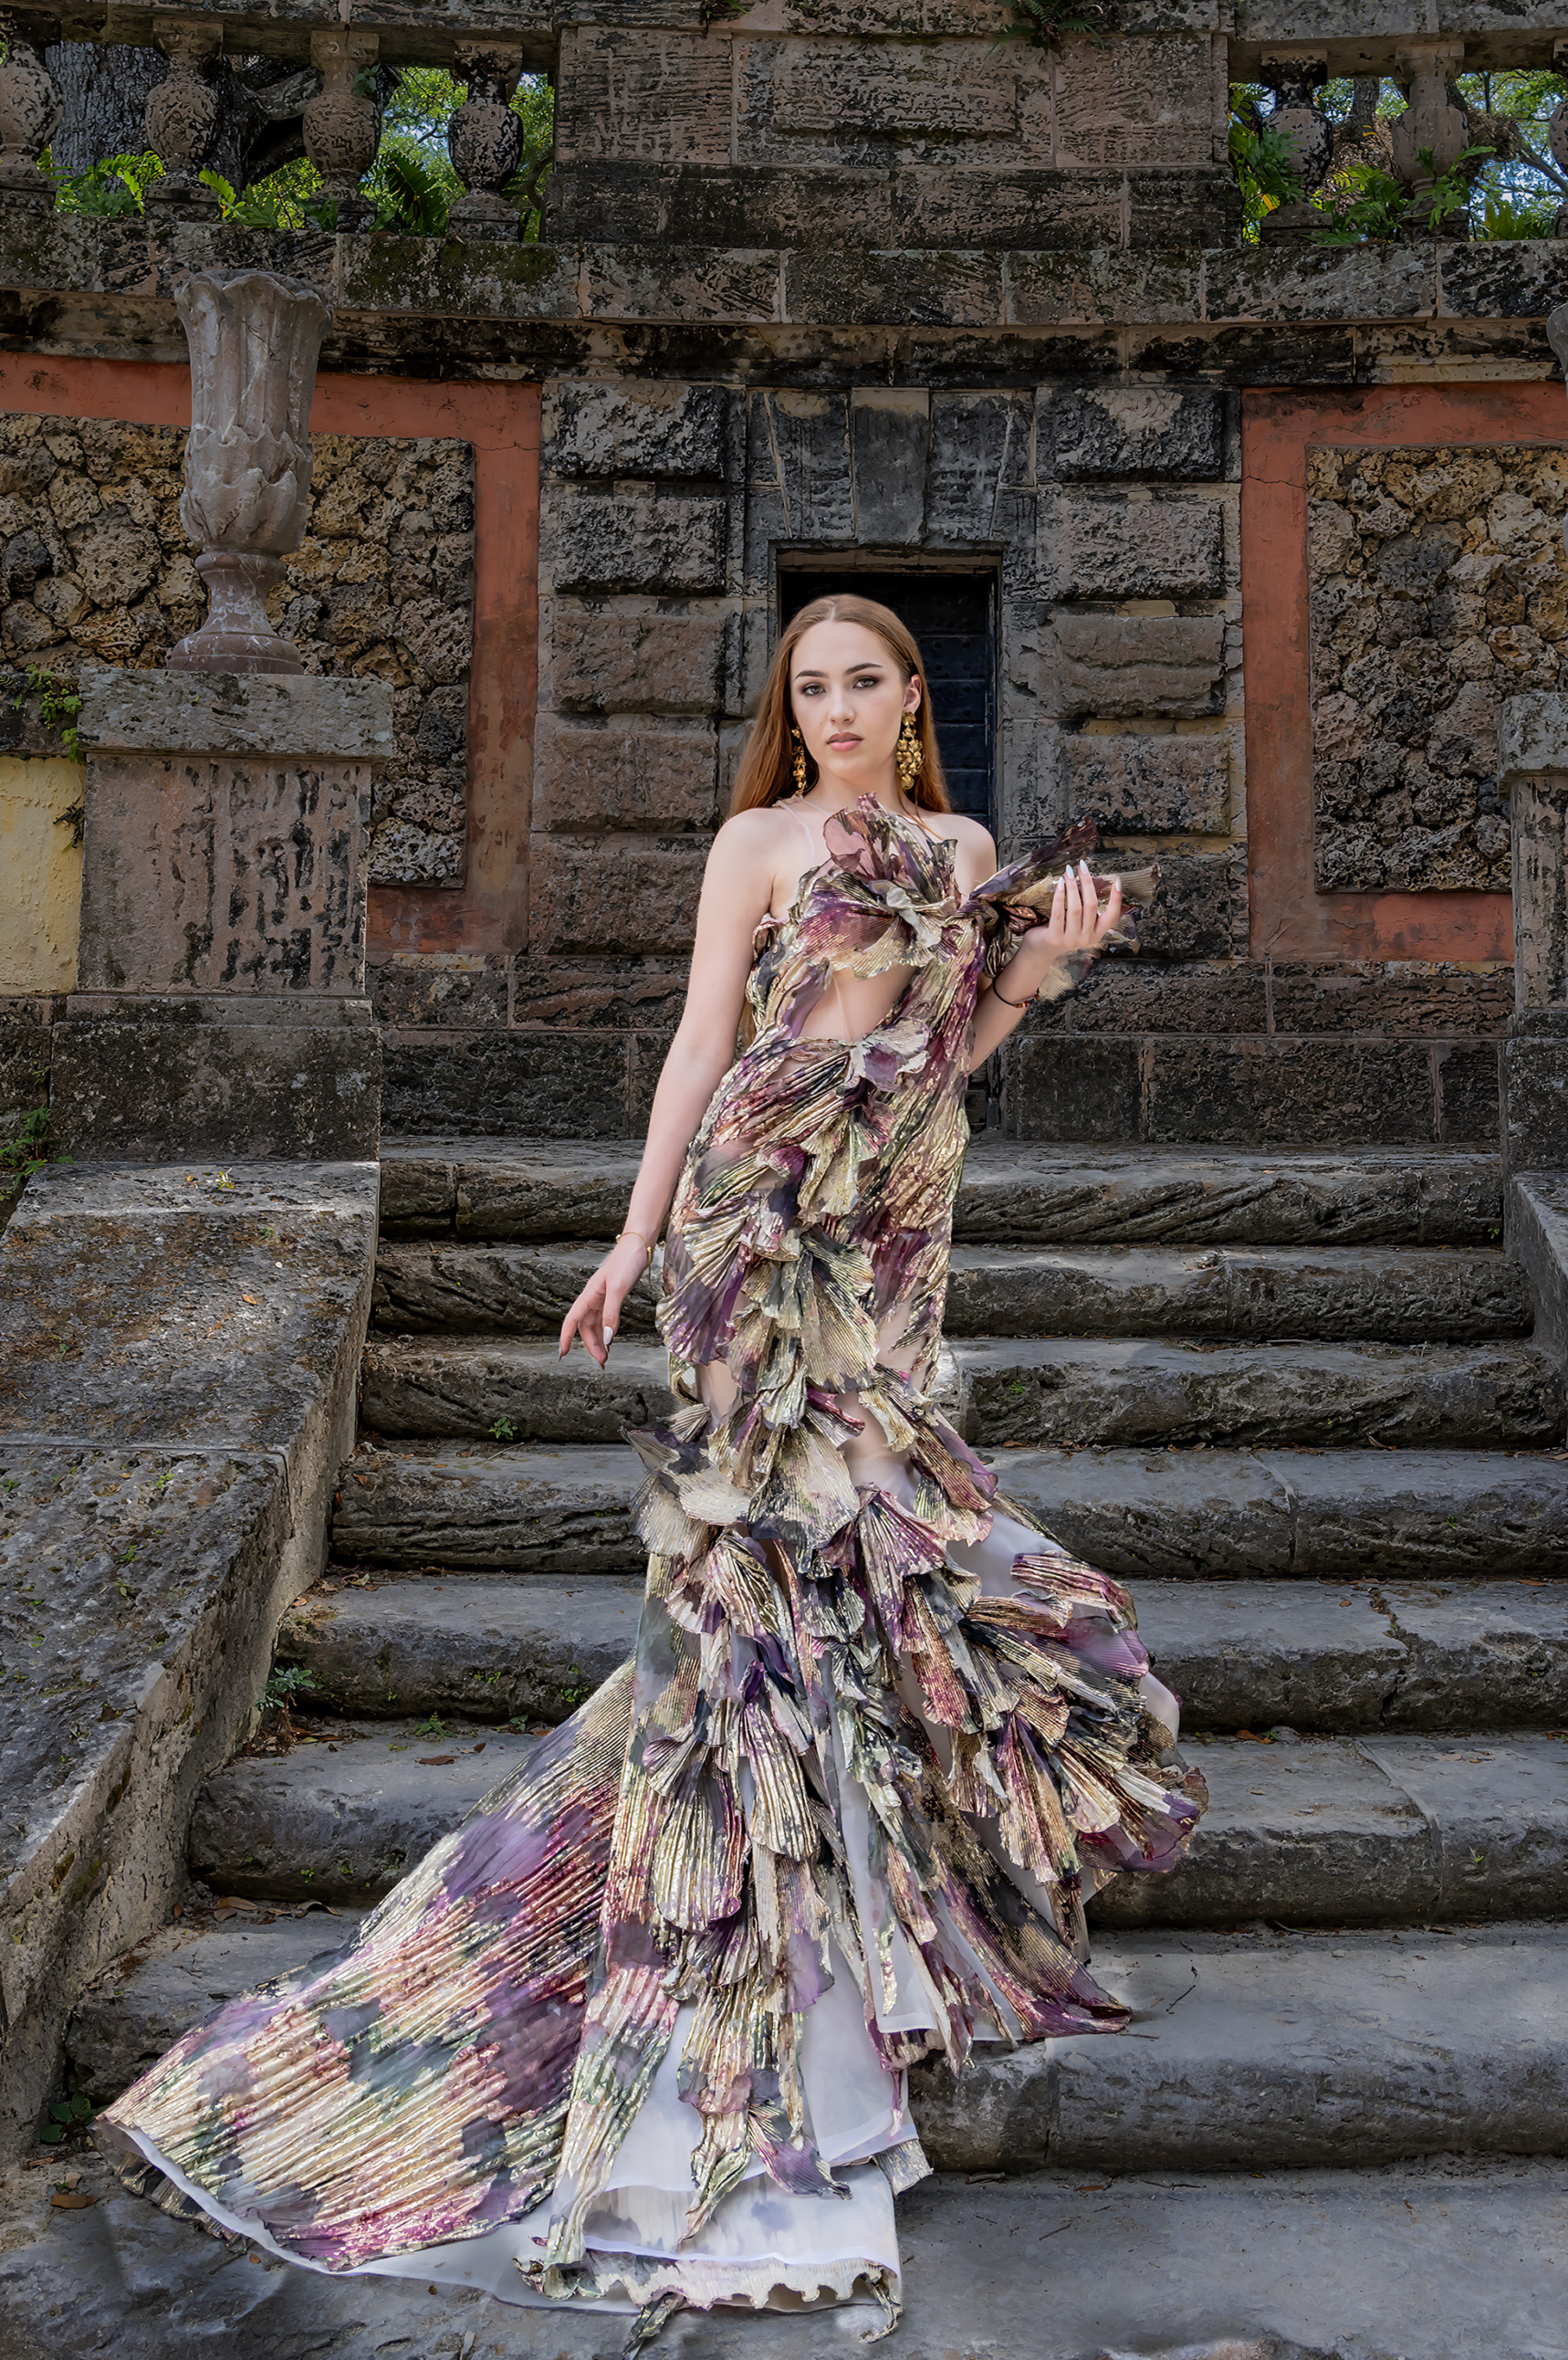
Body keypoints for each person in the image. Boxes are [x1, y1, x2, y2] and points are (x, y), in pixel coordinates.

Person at [99, 594, 1207, 2348]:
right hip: (749, 1237)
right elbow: (706, 1041)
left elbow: (943, 1057)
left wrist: (1046, 966)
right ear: (792, 710)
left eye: (865, 682)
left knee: (887, 1564)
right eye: (810, 687)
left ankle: (841, 1935)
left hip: (891, 1239)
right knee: (761, 1596)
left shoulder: (968, 845)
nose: (836, 707)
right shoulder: (757, 840)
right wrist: (631, 1237)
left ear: (916, 698)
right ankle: (763, 1981)